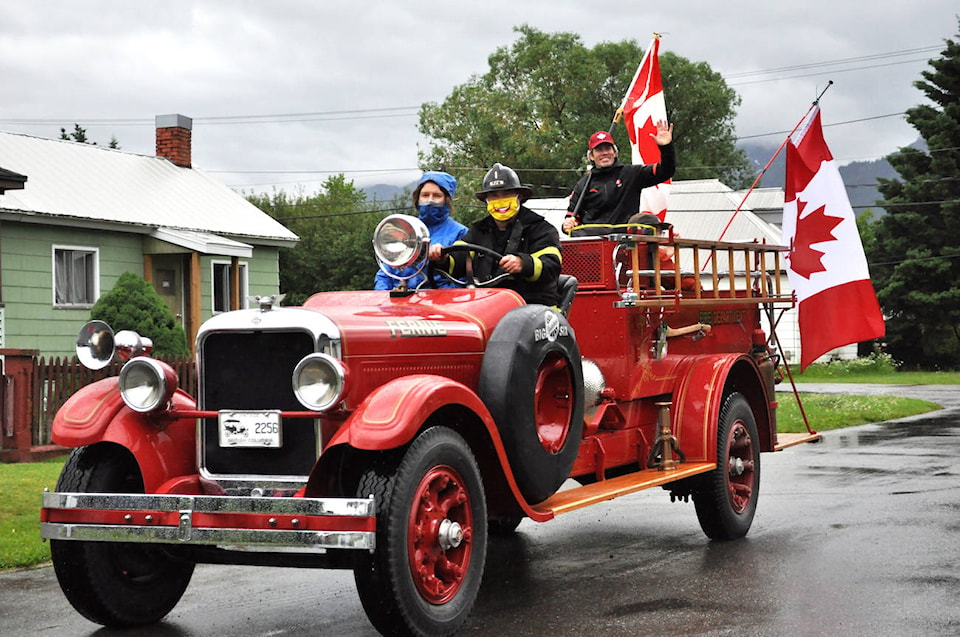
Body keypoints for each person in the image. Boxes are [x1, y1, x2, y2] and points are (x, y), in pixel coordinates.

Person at [429, 163, 562, 306]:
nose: (500, 200)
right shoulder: (478, 230)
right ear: (486, 200)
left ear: (519, 197)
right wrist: (443, 258)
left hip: (535, 307)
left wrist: (523, 264)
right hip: (489, 305)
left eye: (506, 194)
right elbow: (459, 257)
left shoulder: (541, 228)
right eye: (494, 196)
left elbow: (552, 265)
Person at [562, 120, 675, 235]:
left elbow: (666, 171)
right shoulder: (583, 184)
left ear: (615, 152)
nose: (604, 153)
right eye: (599, 150)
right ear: (591, 156)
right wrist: (567, 225)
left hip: (624, 242)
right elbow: (571, 218)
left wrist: (666, 148)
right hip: (593, 244)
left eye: (608, 148)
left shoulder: (632, 173)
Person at [374, 170, 467, 290]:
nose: (430, 200)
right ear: (417, 198)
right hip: (400, 302)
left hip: (438, 303)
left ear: (447, 199)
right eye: (425, 195)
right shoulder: (403, 229)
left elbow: (463, 279)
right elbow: (385, 272)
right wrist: (385, 298)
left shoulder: (460, 233)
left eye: (437, 196)